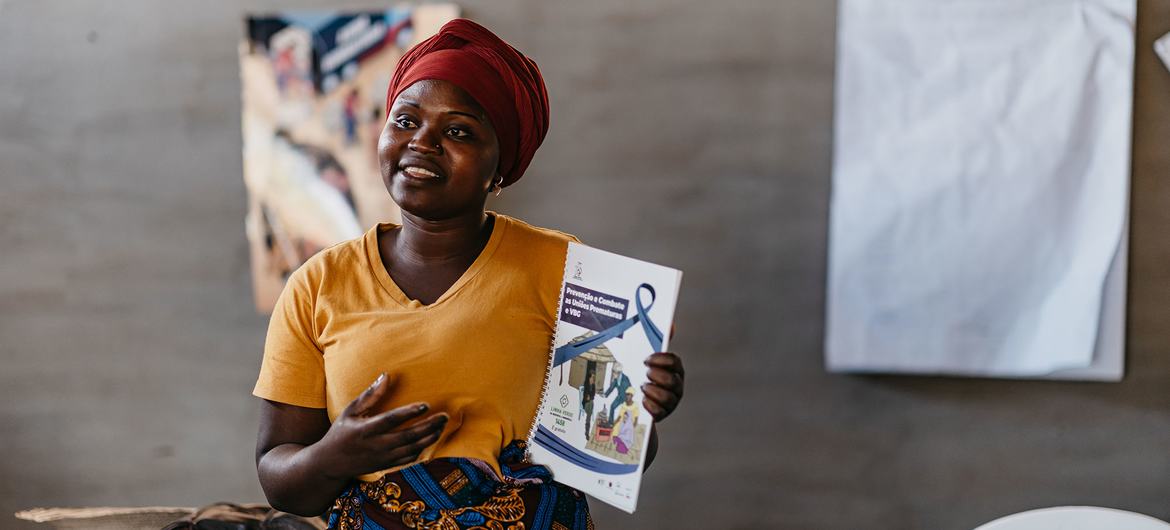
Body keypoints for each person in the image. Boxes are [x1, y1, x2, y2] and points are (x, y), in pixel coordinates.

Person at [253, 19, 686, 530]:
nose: (423, 142)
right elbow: (279, 476)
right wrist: (334, 456)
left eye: (458, 131)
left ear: (500, 167)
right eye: (405, 121)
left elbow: (606, 452)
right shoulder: (318, 283)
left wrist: (640, 412)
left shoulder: (568, 270)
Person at [611, 388, 640, 455]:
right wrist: (613, 424)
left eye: (629, 395)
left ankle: (622, 444)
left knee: (628, 432)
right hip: (623, 422)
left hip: (629, 424)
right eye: (626, 395)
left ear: (632, 396)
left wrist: (633, 427)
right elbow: (619, 417)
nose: (627, 396)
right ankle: (617, 441)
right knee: (616, 428)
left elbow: (636, 419)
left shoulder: (635, 405)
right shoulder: (624, 405)